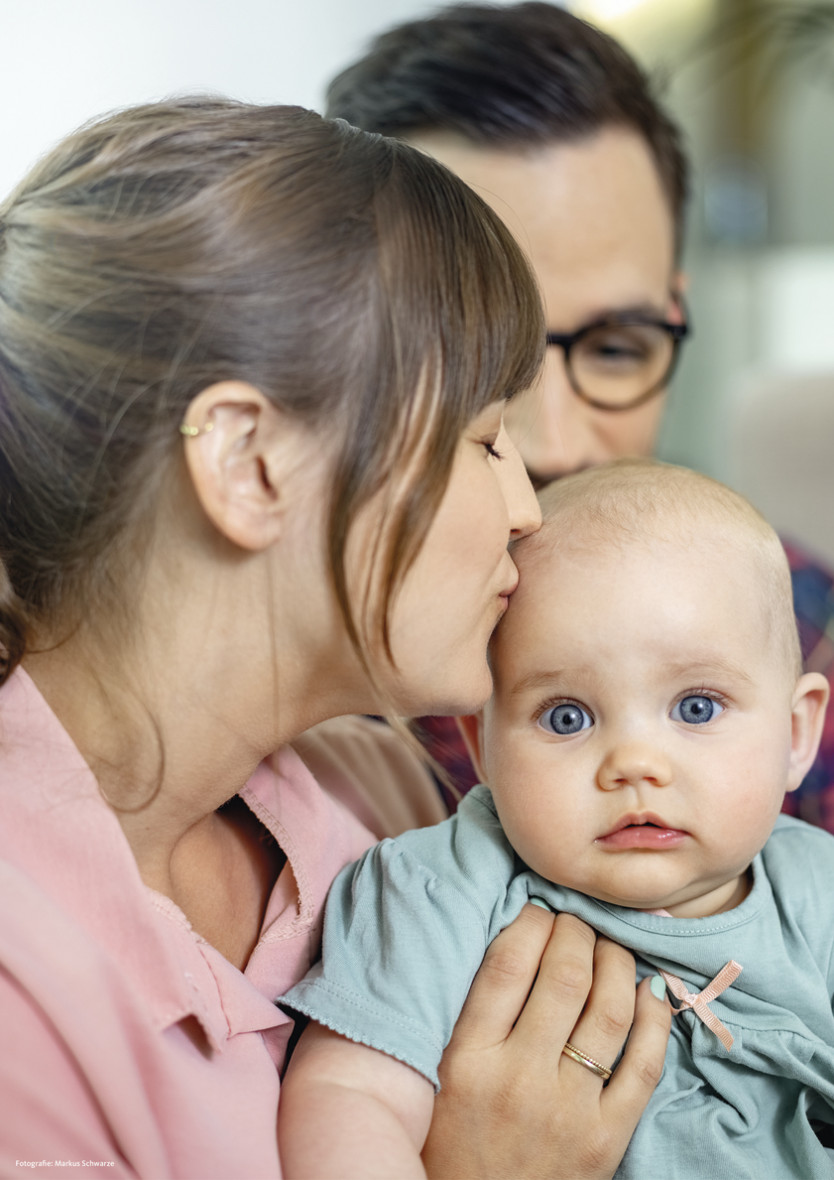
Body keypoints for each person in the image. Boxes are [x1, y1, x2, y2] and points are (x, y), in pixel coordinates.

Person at [0, 99, 672, 1179]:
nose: (528, 509)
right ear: (249, 462)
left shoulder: (387, 793)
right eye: (484, 439)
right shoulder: (22, 999)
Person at [325, 0, 834, 823]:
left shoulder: (802, 623)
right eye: (479, 359)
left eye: (616, 349)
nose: (551, 445)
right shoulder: (275, 688)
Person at [278, 459, 834, 1179]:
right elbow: (352, 1099)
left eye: (696, 707)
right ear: (483, 747)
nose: (635, 763)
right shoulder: (438, 890)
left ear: (796, 735)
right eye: (566, 717)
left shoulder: (815, 892)